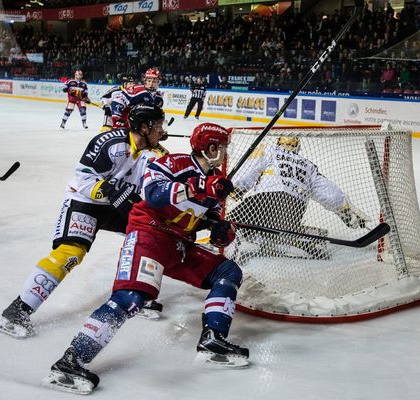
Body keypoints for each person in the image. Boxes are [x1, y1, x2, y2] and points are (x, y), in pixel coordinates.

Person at [42, 123, 248, 395]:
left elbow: (195, 220)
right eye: (222, 148)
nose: (224, 153)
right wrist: (199, 186)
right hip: (148, 237)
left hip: (178, 245)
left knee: (227, 271)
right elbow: (154, 195)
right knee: (130, 298)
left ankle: (213, 340)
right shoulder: (174, 163)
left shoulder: (215, 183)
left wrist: (218, 228)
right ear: (211, 148)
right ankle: (70, 362)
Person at [0, 104, 169, 338]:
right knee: (71, 253)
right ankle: (17, 310)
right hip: (85, 201)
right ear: (144, 127)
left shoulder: (157, 154)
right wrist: (110, 190)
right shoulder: (111, 143)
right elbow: (83, 179)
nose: (162, 131)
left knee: (149, 239)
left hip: (118, 204)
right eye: (158, 126)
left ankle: (136, 295)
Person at [229, 136, 369, 260]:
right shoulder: (308, 165)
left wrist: (235, 188)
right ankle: (302, 237)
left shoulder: (270, 150)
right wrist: (346, 211)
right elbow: (328, 192)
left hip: (265, 200)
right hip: (295, 207)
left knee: (229, 223)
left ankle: (226, 250)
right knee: (271, 229)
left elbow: (251, 166)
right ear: (298, 147)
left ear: (279, 142)